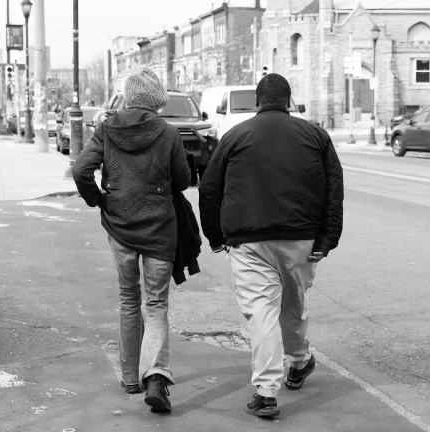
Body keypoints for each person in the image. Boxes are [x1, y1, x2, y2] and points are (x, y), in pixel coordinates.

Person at [199, 73, 344, 417]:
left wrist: (216, 236)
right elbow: (333, 189)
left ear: (258, 101)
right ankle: (299, 361)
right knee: (293, 305)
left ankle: (266, 391)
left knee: (262, 311)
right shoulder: (315, 135)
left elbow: (208, 188)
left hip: (249, 240)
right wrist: (327, 239)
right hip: (301, 238)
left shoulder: (236, 135)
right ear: (289, 100)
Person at [72, 66, 190, 413]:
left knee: (128, 299)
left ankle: (129, 378)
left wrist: (99, 199)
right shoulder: (168, 133)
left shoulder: (107, 128)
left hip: (120, 226)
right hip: (158, 230)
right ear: (156, 101)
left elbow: (81, 170)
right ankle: (155, 377)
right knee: (155, 304)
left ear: (129, 96)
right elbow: (182, 182)